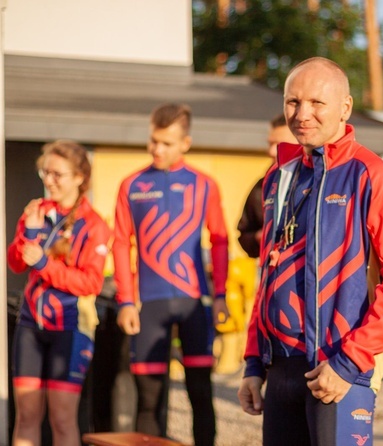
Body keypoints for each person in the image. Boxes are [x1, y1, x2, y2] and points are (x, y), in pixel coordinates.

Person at [237, 57, 383, 445]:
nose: (302, 114)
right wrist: (253, 362)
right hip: (281, 371)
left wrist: (349, 361)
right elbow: (269, 274)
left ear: (345, 107)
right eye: (292, 102)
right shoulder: (278, 177)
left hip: (340, 370)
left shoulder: (373, 175)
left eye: (316, 103)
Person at [113, 103, 229, 446]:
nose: (157, 149)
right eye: (153, 141)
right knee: (148, 400)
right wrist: (125, 301)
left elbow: (220, 240)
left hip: (194, 303)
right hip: (149, 303)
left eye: (166, 143)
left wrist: (220, 294)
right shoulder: (132, 184)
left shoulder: (204, 184)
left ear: (185, 143)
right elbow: (121, 243)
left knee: (200, 393)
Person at [8, 140, 111, 446]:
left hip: (70, 327)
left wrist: (43, 261)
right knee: (25, 416)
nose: (48, 180)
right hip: (30, 325)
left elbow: (91, 283)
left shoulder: (94, 225)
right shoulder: (37, 211)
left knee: (62, 419)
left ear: (80, 177)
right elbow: (14, 263)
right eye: (45, 172)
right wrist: (29, 233)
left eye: (57, 174)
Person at [237, 114, 298, 258]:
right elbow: (244, 233)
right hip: (269, 273)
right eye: (269, 143)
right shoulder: (262, 185)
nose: (270, 151)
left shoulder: (319, 182)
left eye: (278, 145)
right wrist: (259, 237)